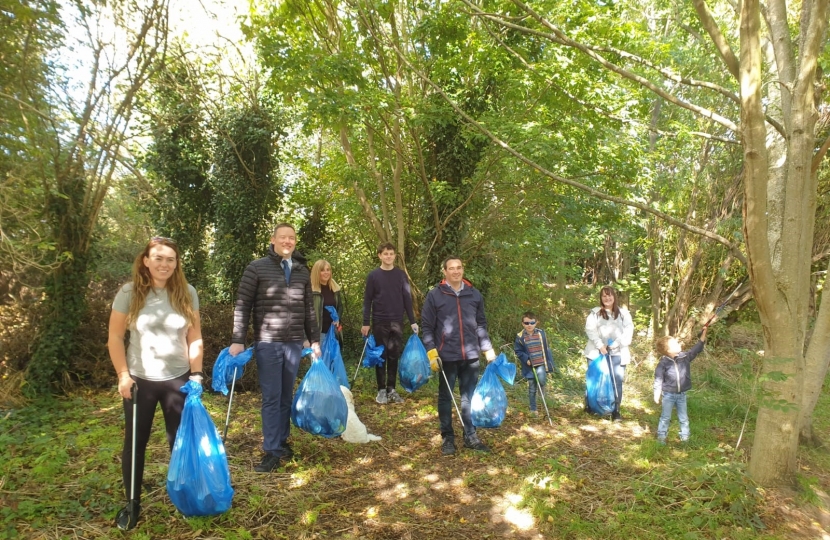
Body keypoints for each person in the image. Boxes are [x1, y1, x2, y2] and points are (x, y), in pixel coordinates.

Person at [107, 236, 203, 529]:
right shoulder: (128, 292)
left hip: (178, 381)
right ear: (146, 261)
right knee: (136, 443)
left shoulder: (187, 293)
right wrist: (123, 374)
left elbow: (194, 337)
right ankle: (132, 503)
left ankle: (184, 497)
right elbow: (114, 337)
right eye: (158, 258)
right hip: (140, 381)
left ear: (176, 264)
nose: (164, 264)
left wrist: (197, 374)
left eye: (170, 259)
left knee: (180, 442)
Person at [229, 223, 321, 473]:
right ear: (273, 240)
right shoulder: (256, 268)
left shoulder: (302, 271)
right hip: (268, 342)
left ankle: (281, 442)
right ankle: (270, 451)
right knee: (271, 397)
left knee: (285, 397)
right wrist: (238, 338)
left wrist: (314, 340)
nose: (287, 242)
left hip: (293, 343)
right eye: (283, 237)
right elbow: (242, 305)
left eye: (291, 238)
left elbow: (309, 310)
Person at [421, 256, 496, 455]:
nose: (456, 271)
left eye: (459, 268)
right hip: (446, 355)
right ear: (444, 272)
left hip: (471, 355)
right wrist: (431, 352)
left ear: (463, 270)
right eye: (451, 268)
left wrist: (487, 348)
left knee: (468, 398)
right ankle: (447, 438)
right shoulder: (435, 296)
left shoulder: (474, 294)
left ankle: (470, 435)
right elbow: (427, 327)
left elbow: (481, 324)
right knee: (446, 397)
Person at [361, 242, 418, 405]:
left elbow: (407, 298)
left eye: (391, 254)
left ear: (394, 256)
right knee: (381, 356)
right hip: (379, 321)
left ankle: (391, 389)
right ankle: (381, 390)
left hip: (397, 322)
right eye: (385, 253)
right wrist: (366, 322)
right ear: (379, 255)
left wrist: (412, 321)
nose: (388, 256)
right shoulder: (373, 276)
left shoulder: (401, 275)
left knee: (393, 355)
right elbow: (367, 300)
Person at [583, 286, 634, 421]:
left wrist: (614, 344)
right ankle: (591, 405)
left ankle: (615, 410)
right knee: (593, 378)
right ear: (601, 298)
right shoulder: (595, 313)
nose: (607, 298)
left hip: (617, 353)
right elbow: (590, 330)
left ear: (614, 297)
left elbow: (628, 331)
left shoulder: (624, 314)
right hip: (596, 352)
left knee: (616, 381)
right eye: (604, 296)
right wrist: (600, 345)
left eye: (609, 295)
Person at [653, 327, 707, 444]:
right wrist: (656, 394)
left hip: (682, 395)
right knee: (665, 417)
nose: (678, 344)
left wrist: (702, 337)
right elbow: (658, 379)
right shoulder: (663, 363)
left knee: (684, 418)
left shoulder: (684, 357)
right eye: (675, 344)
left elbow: (696, 350)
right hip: (668, 395)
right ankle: (661, 438)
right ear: (668, 350)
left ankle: (685, 438)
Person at [513, 312, 555, 415]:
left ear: (536, 323)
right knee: (532, 387)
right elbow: (518, 351)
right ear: (523, 324)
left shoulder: (541, 333)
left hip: (541, 363)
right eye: (526, 323)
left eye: (532, 322)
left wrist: (549, 363)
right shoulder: (520, 337)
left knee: (541, 380)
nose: (529, 325)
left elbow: (546, 349)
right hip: (529, 365)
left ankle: (542, 388)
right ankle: (533, 408)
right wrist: (526, 359)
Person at [311, 259, 344, 345]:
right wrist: (306, 339)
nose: (326, 272)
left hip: (333, 333)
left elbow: (340, 306)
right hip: (318, 335)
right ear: (316, 272)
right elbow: (303, 314)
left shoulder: (334, 287)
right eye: (322, 270)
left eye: (328, 270)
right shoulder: (311, 290)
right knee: (319, 359)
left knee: (334, 359)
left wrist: (338, 319)